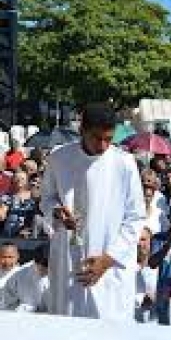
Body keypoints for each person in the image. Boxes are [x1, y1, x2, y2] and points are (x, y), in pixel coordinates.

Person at [40, 102, 146, 321]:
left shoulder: (124, 163)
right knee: (67, 330)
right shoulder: (58, 158)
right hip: (68, 259)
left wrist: (108, 260)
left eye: (109, 138)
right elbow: (47, 199)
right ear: (82, 130)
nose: (104, 145)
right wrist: (57, 213)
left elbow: (135, 217)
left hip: (110, 264)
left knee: (110, 336)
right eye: (97, 138)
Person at [0, 244, 49, 312]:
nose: (41, 267)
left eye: (45, 264)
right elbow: (8, 302)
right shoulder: (19, 276)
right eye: (38, 262)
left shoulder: (65, 277)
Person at [0, 170, 36, 237]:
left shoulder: (34, 197)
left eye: (22, 179)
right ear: (12, 180)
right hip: (10, 233)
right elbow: (3, 212)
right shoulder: (7, 197)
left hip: (30, 232)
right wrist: (2, 212)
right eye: (17, 178)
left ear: (27, 181)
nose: (19, 180)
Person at [135, 227, 157, 323]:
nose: (139, 244)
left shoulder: (159, 268)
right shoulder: (125, 268)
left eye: (143, 239)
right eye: (137, 240)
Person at [0, 242, 20, 309]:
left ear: (17, 256)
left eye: (10, 257)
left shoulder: (23, 275)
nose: (7, 260)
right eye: (3, 257)